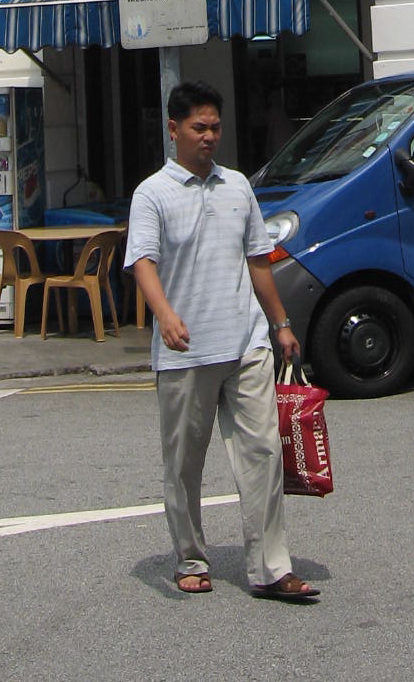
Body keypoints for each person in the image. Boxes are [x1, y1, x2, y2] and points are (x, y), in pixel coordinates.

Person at [126, 80, 320, 604]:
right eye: (199, 128)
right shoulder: (152, 194)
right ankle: (190, 557)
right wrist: (164, 314)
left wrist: (280, 325)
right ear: (173, 130)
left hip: (246, 343)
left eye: (215, 127)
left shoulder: (237, 186)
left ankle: (270, 568)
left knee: (262, 454)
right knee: (185, 465)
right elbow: (142, 261)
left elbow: (259, 262)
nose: (209, 136)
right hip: (186, 351)